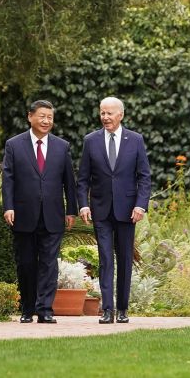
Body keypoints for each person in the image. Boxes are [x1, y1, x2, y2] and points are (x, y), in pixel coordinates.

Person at [76, 96, 151, 324]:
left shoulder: (135, 140)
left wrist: (140, 204)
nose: (105, 117)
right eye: (102, 113)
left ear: (121, 115)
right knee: (106, 259)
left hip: (128, 211)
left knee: (125, 260)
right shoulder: (91, 141)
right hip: (100, 210)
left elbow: (144, 177)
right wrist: (83, 204)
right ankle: (107, 310)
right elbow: (82, 179)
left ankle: (123, 310)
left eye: (109, 113)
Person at [1, 99, 77, 323]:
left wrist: (70, 210)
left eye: (50, 117)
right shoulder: (14, 145)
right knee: (25, 263)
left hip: (53, 215)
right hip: (23, 215)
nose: (46, 121)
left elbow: (68, 182)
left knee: (49, 264)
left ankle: (44, 310)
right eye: (42, 116)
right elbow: (8, 179)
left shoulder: (62, 146)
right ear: (30, 117)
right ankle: (27, 309)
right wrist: (9, 207)